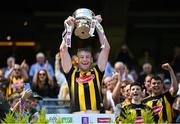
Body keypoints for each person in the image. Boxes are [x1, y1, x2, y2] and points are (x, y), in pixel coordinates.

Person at [59, 15, 110, 113]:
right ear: (77, 60)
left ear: (91, 60)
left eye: (87, 57)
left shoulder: (97, 71)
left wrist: (98, 26)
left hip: (96, 117)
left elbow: (106, 48)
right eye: (81, 57)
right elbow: (63, 50)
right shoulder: (71, 73)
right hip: (76, 117)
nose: (85, 60)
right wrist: (70, 28)